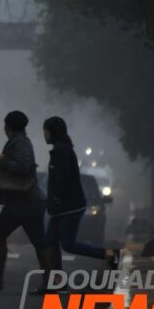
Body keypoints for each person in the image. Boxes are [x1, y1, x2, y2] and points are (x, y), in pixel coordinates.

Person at [0, 111, 55, 291]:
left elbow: (23, 166)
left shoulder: (20, 143)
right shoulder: (22, 141)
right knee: (39, 241)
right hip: (32, 200)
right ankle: (50, 282)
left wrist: (2, 160)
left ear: (7, 126)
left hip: (22, 201)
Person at [43, 116, 120, 272]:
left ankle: (110, 254)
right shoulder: (61, 149)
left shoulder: (62, 151)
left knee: (68, 244)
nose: (44, 135)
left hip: (68, 207)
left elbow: (63, 179)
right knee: (50, 241)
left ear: (52, 132)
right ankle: (56, 279)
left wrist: (57, 197)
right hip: (60, 208)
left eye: (45, 131)